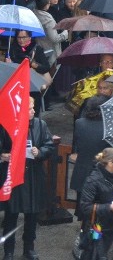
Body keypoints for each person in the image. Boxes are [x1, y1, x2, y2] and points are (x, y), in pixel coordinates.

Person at [0, 97, 53, 260]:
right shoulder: (6, 125)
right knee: (11, 215)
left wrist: (40, 152)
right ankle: (8, 250)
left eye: (33, 108)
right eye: (30, 108)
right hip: (14, 176)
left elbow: (49, 145)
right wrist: (3, 156)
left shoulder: (40, 125)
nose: (34, 111)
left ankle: (28, 248)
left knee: (32, 215)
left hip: (33, 176)